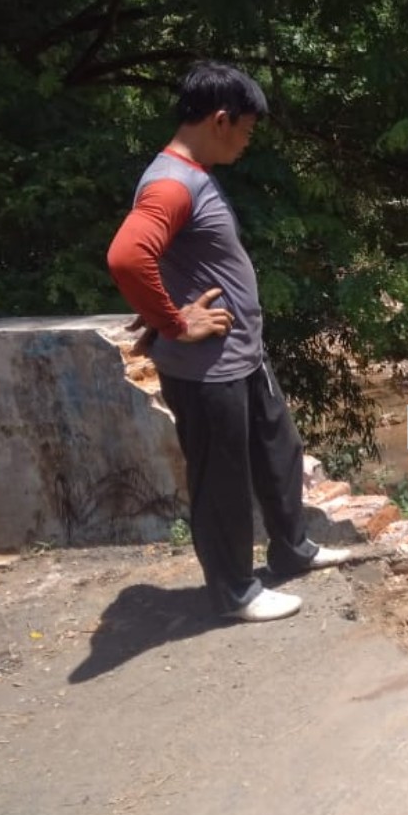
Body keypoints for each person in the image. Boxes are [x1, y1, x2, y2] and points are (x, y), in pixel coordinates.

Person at [106, 61, 349, 622]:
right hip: (206, 367)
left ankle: (293, 550)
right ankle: (236, 592)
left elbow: (169, 260)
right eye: (246, 129)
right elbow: (126, 256)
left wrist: (160, 305)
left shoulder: (191, 174)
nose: (247, 141)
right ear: (221, 119)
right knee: (223, 482)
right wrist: (172, 322)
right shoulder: (171, 183)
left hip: (241, 356)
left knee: (278, 453)